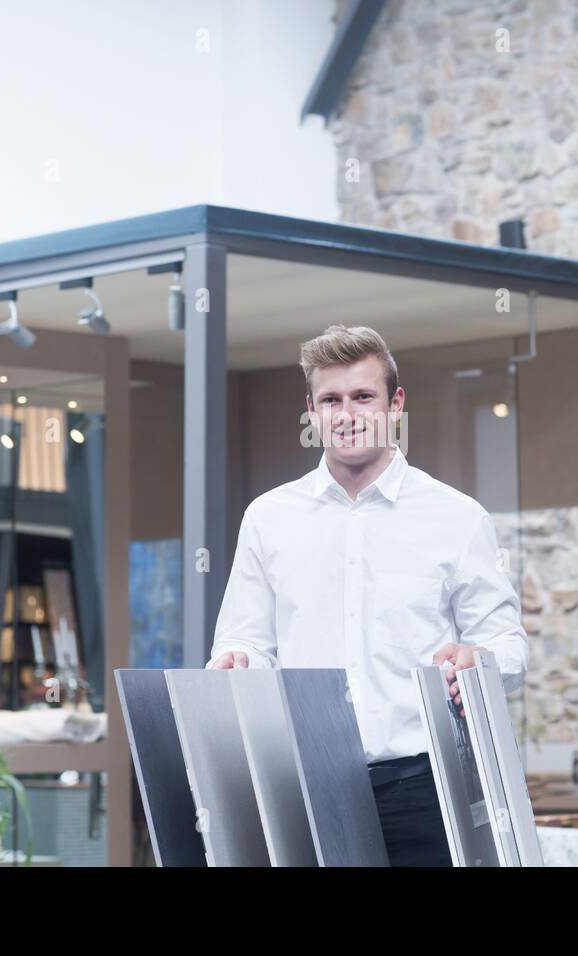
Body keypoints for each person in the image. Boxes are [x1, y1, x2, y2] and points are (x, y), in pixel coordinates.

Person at [207, 324, 528, 866]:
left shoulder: (456, 517)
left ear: (395, 403)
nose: (347, 414)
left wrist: (480, 658)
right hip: (304, 786)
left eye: (363, 396)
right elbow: (245, 641)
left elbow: (510, 647)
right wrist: (236, 663)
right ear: (311, 410)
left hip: (425, 789)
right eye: (331, 399)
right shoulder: (267, 520)